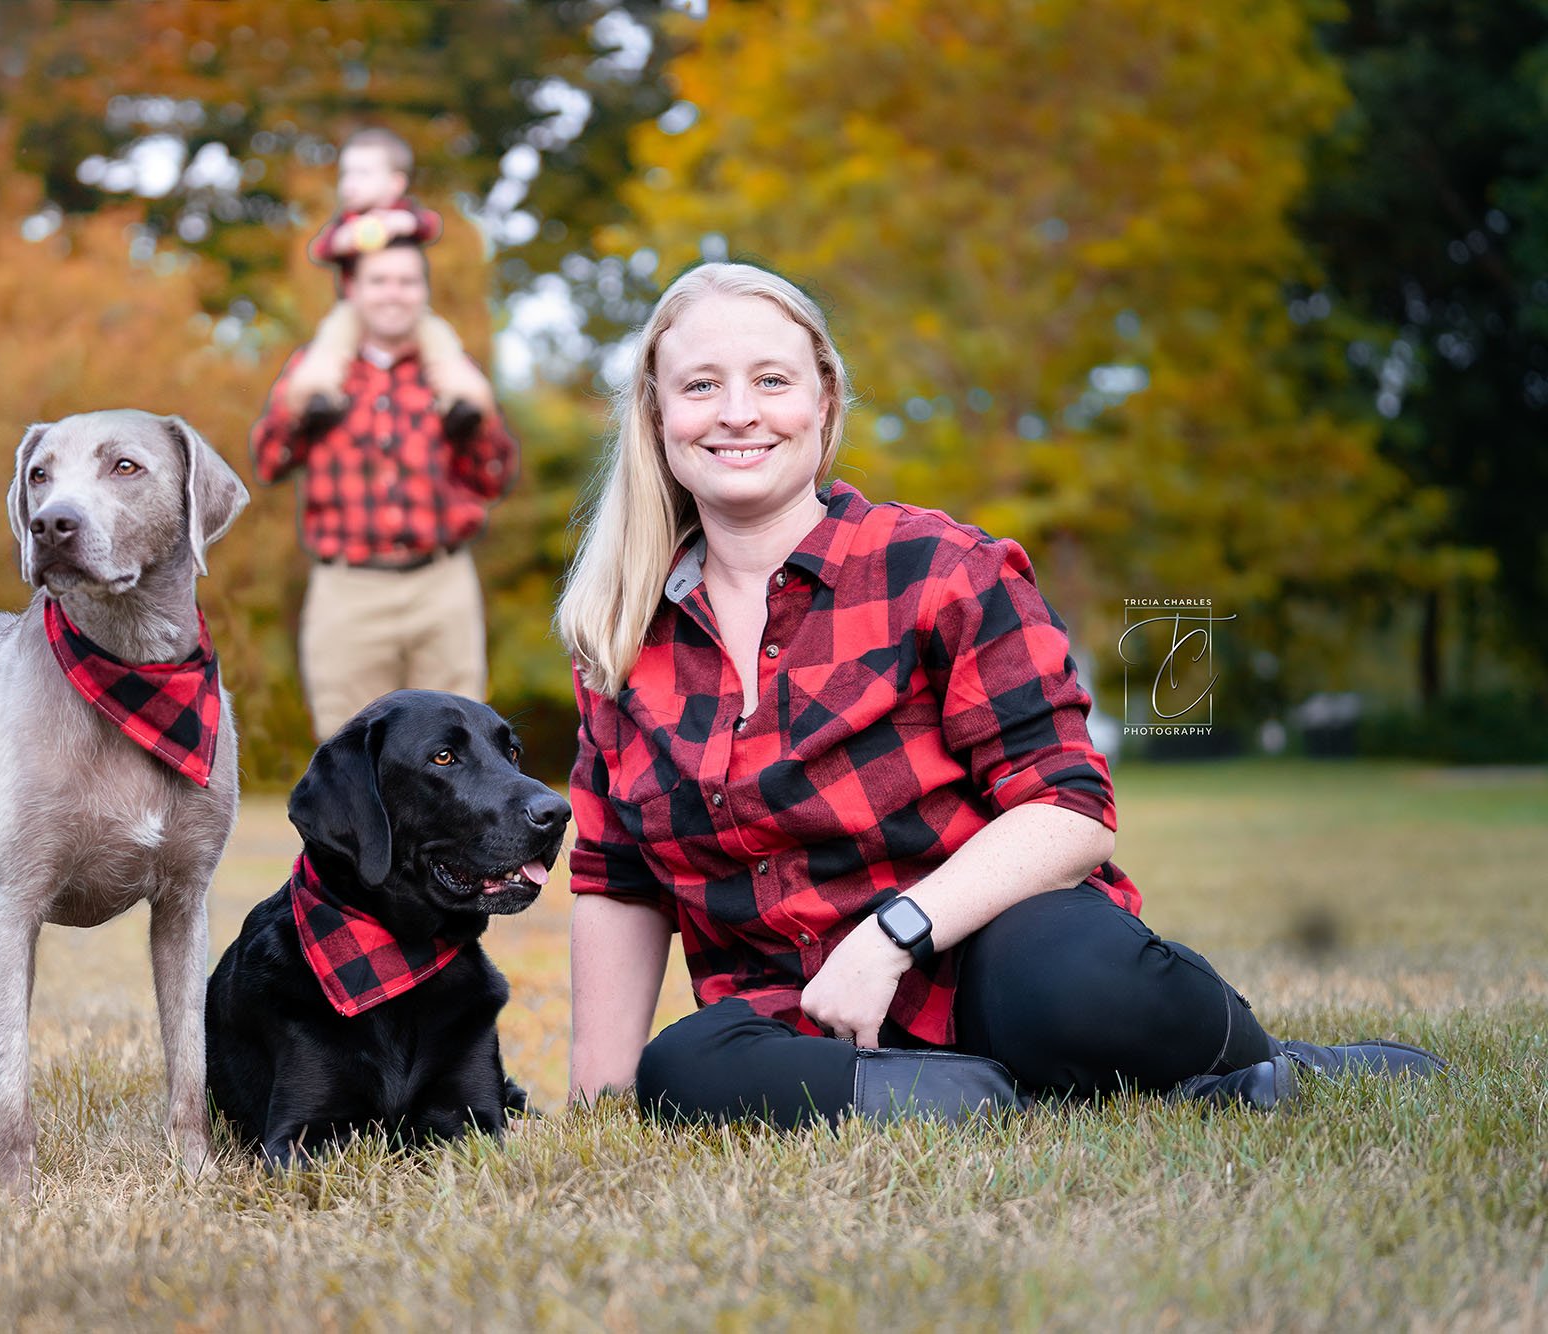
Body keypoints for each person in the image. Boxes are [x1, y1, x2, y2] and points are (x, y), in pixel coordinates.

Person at [554, 261, 1443, 1125]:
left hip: (996, 967)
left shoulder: (939, 570)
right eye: (701, 385)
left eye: (771, 379)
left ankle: (1248, 1065)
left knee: (1070, 977)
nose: (737, 413)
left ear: (822, 400)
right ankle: (970, 1097)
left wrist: (887, 937)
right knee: (680, 1069)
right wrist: (599, 1100)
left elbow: (1070, 806)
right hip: (806, 1022)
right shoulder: (621, 635)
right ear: (657, 414)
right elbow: (617, 878)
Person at [250, 239, 519, 740]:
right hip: (347, 587)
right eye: (379, 281)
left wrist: (477, 416)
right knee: (347, 749)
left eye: (407, 281)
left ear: (423, 291)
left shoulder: (450, 371)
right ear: (353, 290)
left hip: (441, 584)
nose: (394, 293)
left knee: (460, 743)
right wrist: (298, 411)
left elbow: (496, 477)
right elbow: (267, 462)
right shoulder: (318, 369)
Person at [282, 126, 496, 438]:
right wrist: (347, 240)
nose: (350, 184)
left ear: (396, 183)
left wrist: (402, 222)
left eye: (363, 174)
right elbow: (321, 249)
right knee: (330, 344)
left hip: (410, 314)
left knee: (442, 343)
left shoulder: (403, 214)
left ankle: (460, 405)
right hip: (354, 310)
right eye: (346, 175)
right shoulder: (348, 223)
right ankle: (320, 399)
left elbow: (430, 225)